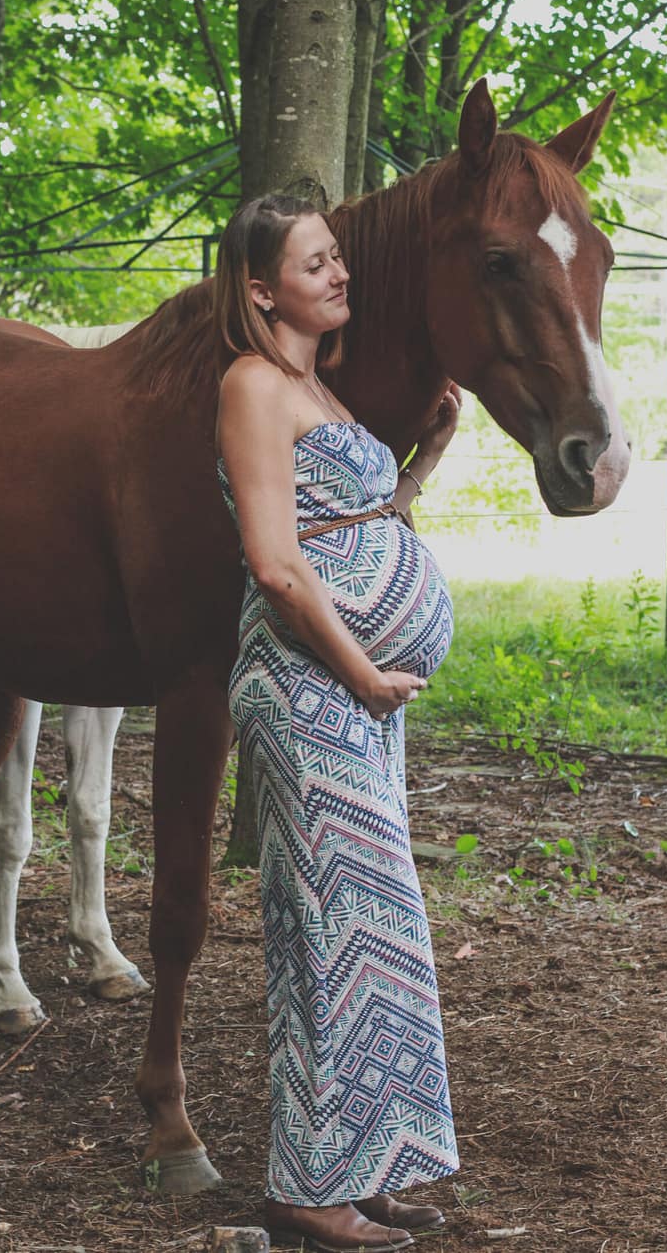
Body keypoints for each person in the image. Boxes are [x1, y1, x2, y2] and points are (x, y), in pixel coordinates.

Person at [214, 194, 462, 1253]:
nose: (338, 272)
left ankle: (367, 1166)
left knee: (377, 928)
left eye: (336, 257)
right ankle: (309, 1190)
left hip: (351, 694)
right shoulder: (252, 385)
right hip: (308, 687)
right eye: (314, 262)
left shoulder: (316, 386)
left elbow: (359, 520)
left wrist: (424, 461)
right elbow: (275, 563)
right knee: (331, 930)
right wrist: (363, 672)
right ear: (261, 288)